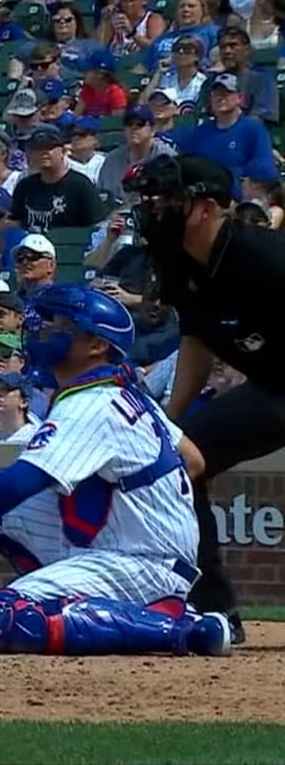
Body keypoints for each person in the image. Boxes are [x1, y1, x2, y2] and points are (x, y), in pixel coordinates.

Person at [0, 284, 231, 657]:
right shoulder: (122, 390)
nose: (44, 330)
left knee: (6, 618)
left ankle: (183, 629)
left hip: (142, 561)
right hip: (127, 544)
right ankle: (85, 599)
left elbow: (23, 481)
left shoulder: (92, 402)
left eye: (61, 325)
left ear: (96, 345)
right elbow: (193, 460)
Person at [128, 154, 285, 646]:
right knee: (179, 460)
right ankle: (214, 609)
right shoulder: (179, 258)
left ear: (208, 208)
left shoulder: (265, 258)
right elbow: (197, 338)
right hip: (273, 386)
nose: (158, 209)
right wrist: (170, 421)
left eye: (172, 199)